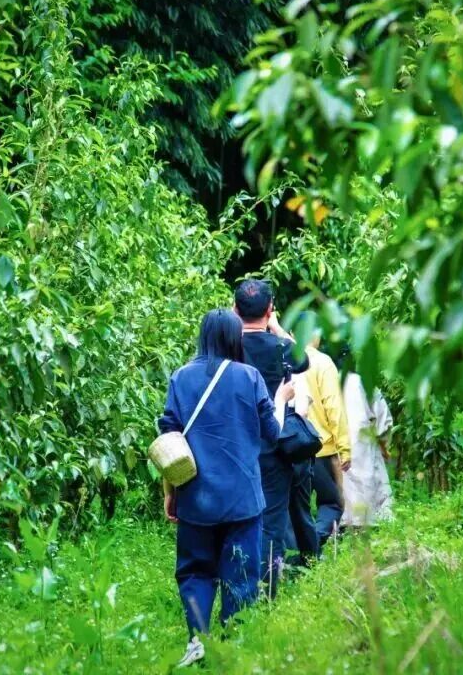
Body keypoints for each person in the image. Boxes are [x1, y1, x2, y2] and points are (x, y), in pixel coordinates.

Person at [159, 309, 294, 668]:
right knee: (241, 573)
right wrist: (281, 400)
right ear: (234, 338)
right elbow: (272, 433)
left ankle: (198, 640)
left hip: (195, 497)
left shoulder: (181, 377)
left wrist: (171, 491)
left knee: (195, 571)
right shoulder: (249, 377)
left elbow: (170, 438)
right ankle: (233, 645)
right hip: (242, 498)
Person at [232, 279, 317, 590]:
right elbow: (303, 360)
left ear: (234, 309)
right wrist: (278, 328)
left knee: (234, 517)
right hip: (273, 444)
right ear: (270, 310)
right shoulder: (280, 347)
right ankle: (267, 590)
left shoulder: (227, 348)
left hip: (233, 444)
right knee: (271, 520)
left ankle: (235, 583)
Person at [301, 332, 350, 546]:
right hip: (321, 448)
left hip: (290, 447)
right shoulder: (322, 362)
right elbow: (333, 407)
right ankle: (313, 544)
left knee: (295, 506)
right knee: (332, 503)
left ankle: (294, 553)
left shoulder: (281, 357)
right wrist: (344, 447)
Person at [340, 372, 394, 528]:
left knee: (345, 484)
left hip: (337, 443)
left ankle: (347, 523)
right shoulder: (363, 381)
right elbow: (383, 418)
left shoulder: (328, 376)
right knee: (372, 482)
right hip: (363, 441)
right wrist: (384, 446)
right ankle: (374, 523)